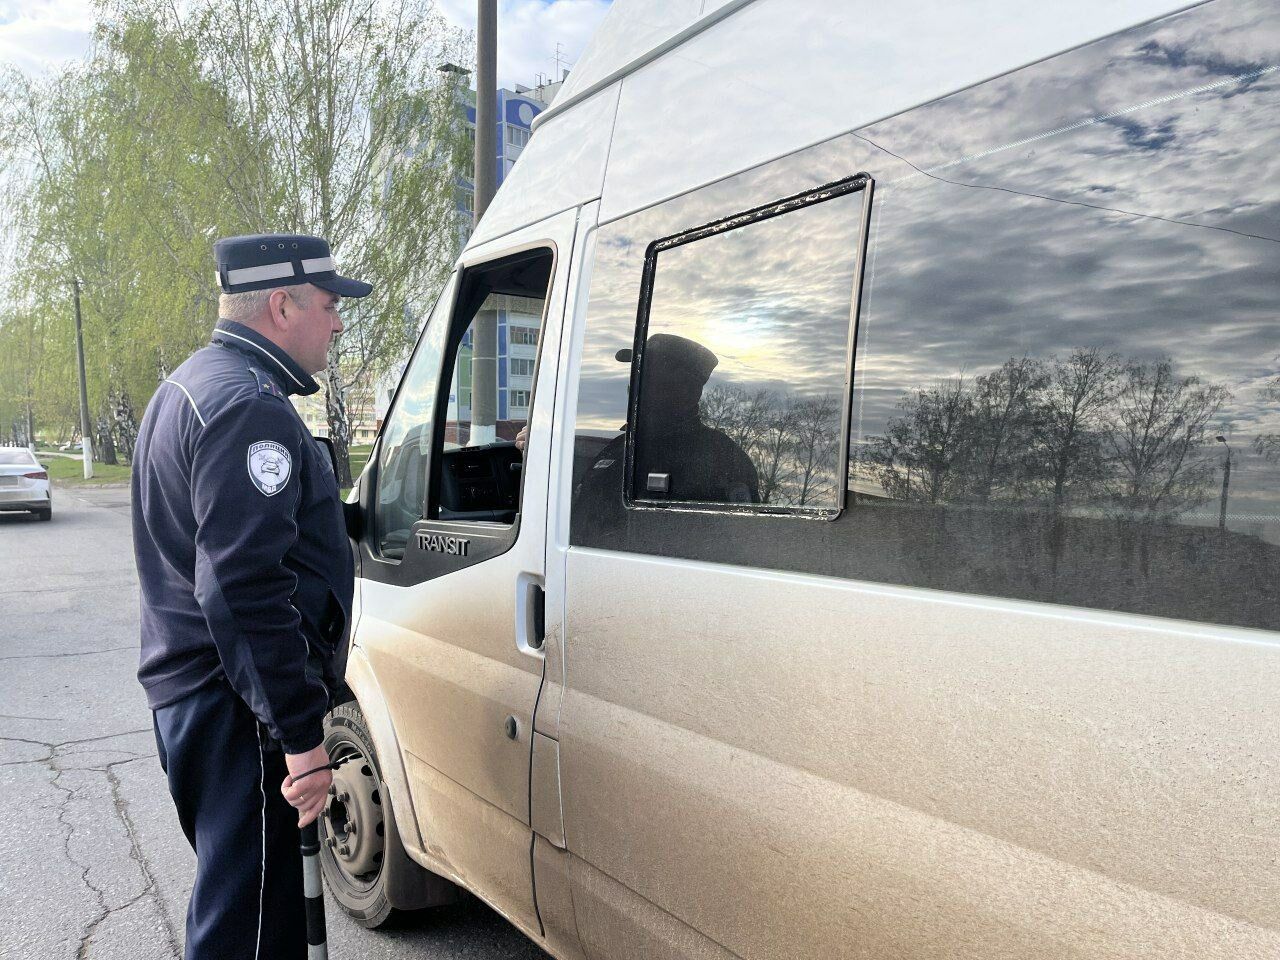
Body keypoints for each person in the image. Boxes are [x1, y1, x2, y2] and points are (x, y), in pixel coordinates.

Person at [131, 233, 371, 959]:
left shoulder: (194, 383)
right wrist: (300, 738)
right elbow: (242, 587)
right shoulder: (249, 408)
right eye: (329, 306)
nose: (336, 323)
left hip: (205, 700)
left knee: (241, 907)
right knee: (254, 933)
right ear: (280, 304)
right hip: (242, 713)